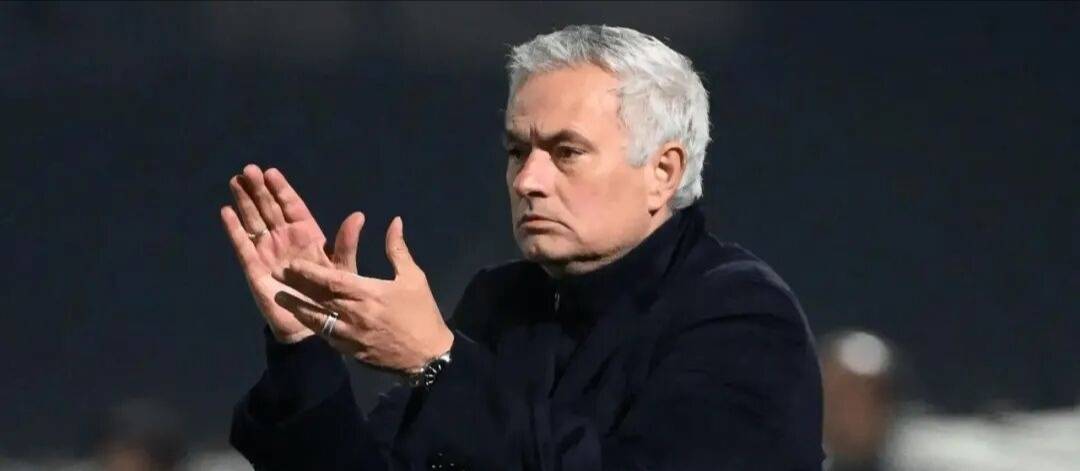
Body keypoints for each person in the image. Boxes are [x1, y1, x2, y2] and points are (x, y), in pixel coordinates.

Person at [222, 25, 823, 470]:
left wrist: (438, 363)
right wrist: (301, 347)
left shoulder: (740, 314)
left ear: (663, 172)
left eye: (567, 152)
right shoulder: (500, 304)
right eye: (518, 151)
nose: (528, 180)